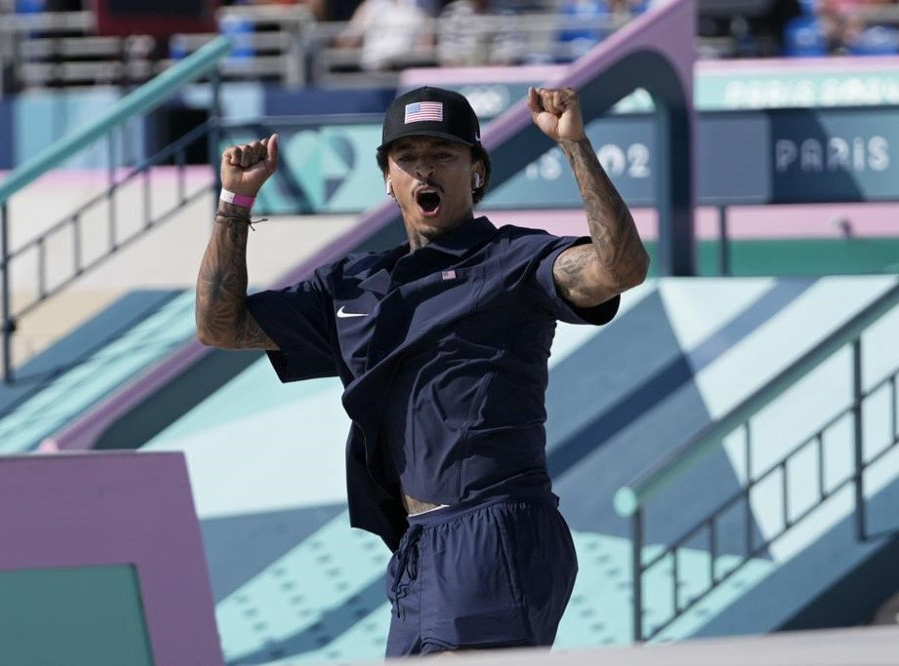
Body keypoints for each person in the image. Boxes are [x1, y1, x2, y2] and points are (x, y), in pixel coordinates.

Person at [195, 86, 649, 656]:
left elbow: (619, 268)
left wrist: (575, 146)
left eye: (443, 155)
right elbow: (221, 326)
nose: (423, 169)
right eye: (407, 157)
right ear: (387, 176)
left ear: (476, 171)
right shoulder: (351, 284)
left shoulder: (512, 260)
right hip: (418, 544)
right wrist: (234, 204)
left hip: (492, 530)